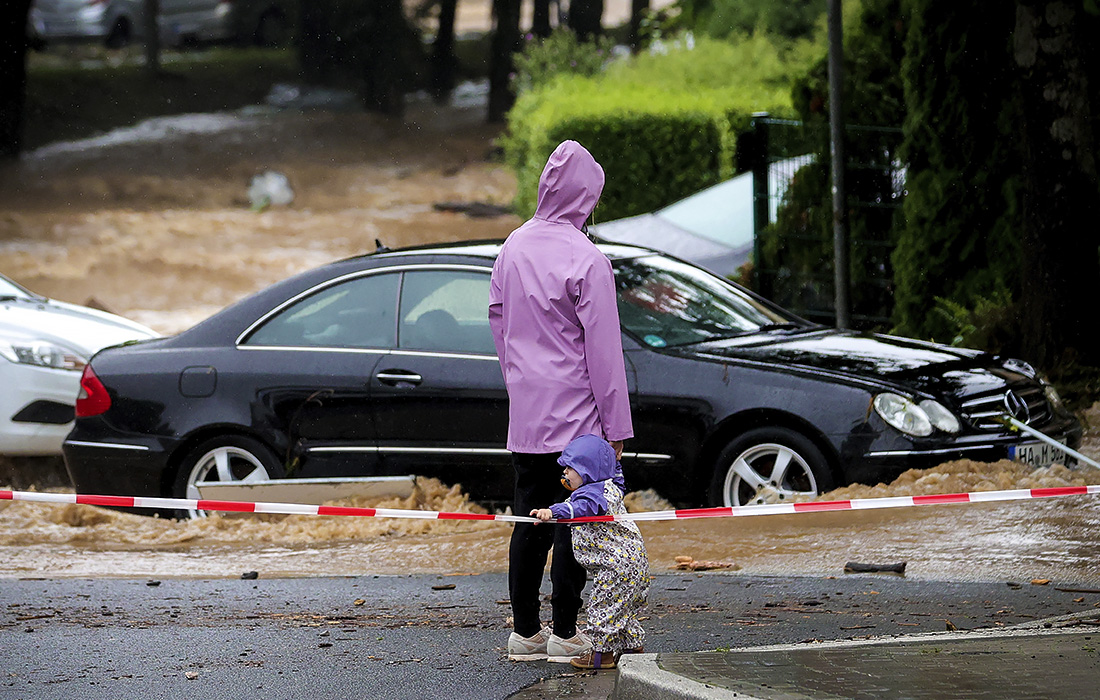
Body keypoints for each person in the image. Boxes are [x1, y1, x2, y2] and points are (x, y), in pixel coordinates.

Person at [488, 139, 634, 663]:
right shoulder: (589, 259)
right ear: (585, 199)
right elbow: (604, 354)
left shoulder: (511, 247)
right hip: (579, 423)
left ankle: (523, 632)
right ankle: (564, 633)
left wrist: (521, 383)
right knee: (576, 521)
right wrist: (616, 428)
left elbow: (499, 323)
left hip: (527, 416)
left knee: (529, 521)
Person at [531, 434, 649, 670]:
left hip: (615, 568)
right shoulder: (611, 486)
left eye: (570, 469)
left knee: (602, 608)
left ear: (587, 470)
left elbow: (581, 508)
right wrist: (615, 462)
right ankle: (632, 647)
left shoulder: (591, 495)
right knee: (621, 608)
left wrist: (552, 512)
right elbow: (618, 477)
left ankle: (601, 656)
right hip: (634, 562)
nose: (564, 473)